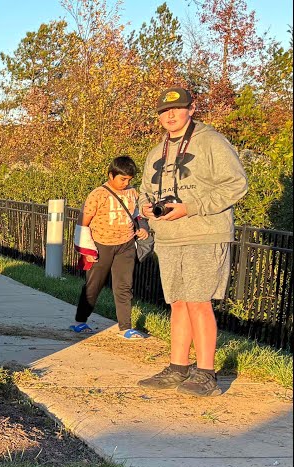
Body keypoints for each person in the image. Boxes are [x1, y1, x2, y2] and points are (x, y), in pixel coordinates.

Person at [136, 87, 248, 397]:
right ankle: (177, 367)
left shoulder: (211, 140)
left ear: (192, 108)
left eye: (177, 108)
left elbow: (237, 184)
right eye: (163, 111)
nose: (169, 115)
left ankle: (206, 374)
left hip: (204, 233)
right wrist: (146, 206)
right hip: (170, 238)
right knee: (178, 304)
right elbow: (146, 190)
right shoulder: (156, 151)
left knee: (199, 302)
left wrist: (191, 206)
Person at [70, 156, 149, 339]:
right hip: (101, 246)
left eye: (129, 179)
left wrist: (143, 227)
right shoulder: (98, 194)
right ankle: (80, 321)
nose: (126, 183)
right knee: (93, 285)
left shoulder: (132, 193)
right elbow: (83, 224)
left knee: (124, 286)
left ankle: (125, 327)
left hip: (126, 245)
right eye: (122, 179)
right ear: (111, 175)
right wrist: (87, 251)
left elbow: (137, 215)